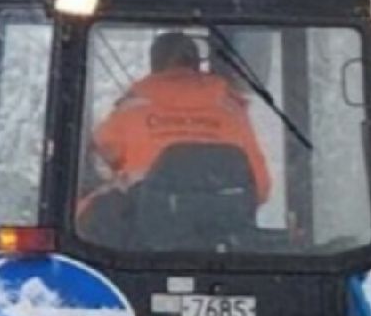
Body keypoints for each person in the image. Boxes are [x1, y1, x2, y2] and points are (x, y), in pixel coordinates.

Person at [81, 31, 272, 232]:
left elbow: (97, 160)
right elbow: (260, 186)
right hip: (219, 238)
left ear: (155, 65)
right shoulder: (230, 109)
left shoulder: (134, 106)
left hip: (144, 238)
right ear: (197, 65)